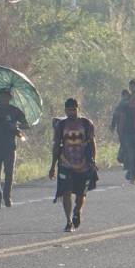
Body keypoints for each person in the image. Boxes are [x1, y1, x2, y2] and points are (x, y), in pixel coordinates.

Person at [49, 98, 97, 232]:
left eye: (74, 110)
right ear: (65, 110)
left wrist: (93, 160)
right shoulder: (61, 125)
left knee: (81, 195)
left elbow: (92, 143)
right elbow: (56, 146)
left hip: (84, 164)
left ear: (78, 109)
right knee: (66, 192)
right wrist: (53, 166)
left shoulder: (86, 124)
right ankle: (68, 221)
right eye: (69, 110)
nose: (71, 112)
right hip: (65, 163)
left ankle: (77, 212)